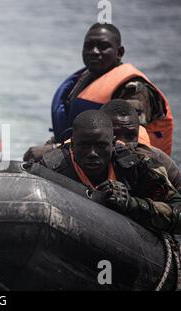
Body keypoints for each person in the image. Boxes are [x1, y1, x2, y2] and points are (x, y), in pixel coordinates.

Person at [40, 110, 181, 234]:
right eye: (84, 146)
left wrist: (131, 204)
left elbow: (177, 212)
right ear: (72, 144)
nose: (92, 153)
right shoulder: (51, 169)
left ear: (113, 144)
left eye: (101, 145)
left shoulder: (138, 165)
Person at [51, 23, 173, 155]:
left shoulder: (134, 89)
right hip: (80, 156)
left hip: (129, 167)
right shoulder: (83, 78)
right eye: (89, 46)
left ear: (119, 52)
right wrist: (52, 145)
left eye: (103, 47)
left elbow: (125, 144)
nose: (94, 52)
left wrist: (56, 150)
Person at [100, 99, 181, 191]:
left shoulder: (156, 161)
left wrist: (133, 202)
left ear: (138, 133)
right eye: (114, 135)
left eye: (130, 136)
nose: (121, 143)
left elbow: (175, 202)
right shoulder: (88, 155)